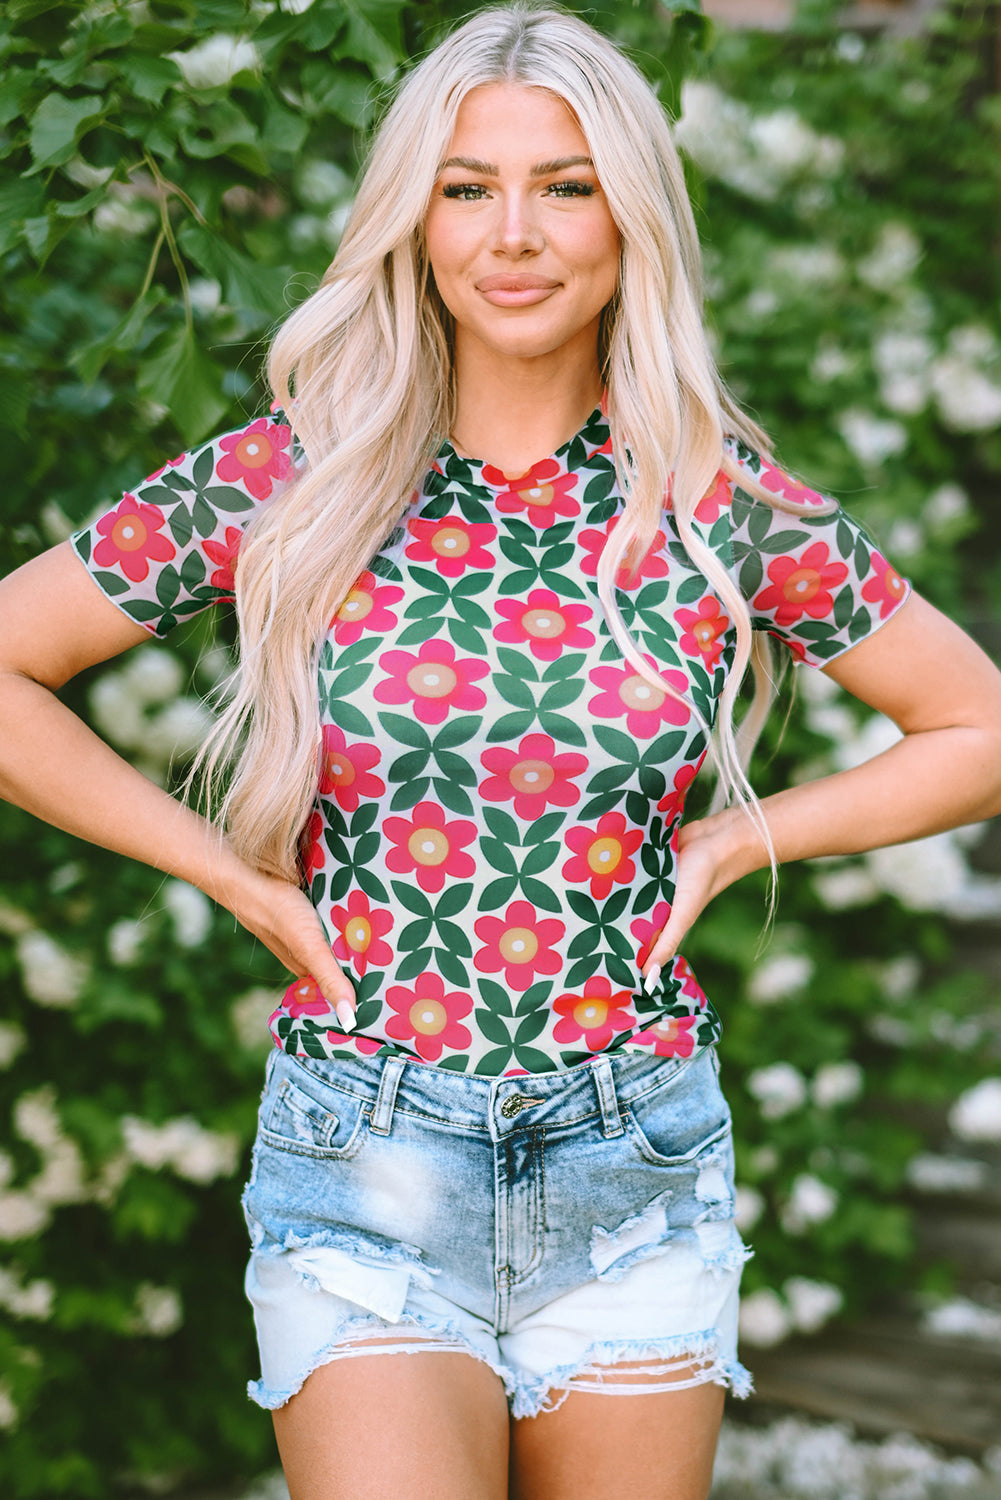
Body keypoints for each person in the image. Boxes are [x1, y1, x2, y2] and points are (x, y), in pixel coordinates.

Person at [3, 4, 1001, 1497]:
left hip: (633, 1161)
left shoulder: (711, 497)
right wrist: (227, 874)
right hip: (368, 1156)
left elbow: (974, 722)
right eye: (467, 187)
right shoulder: (298, 470)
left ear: (629, 219)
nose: (511, 234)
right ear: (414, 219)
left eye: (565, 183)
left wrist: (738, 837)